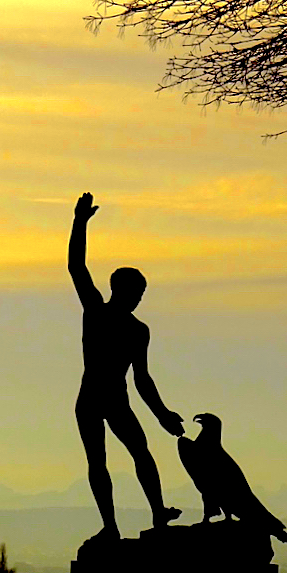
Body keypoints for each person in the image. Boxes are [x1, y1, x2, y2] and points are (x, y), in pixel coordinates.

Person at [68, 191, 183, 544]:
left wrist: (163, 413)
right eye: (137, 291)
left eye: (142, 292)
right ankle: (111, 526)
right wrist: (79, 223)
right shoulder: (97, 311)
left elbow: (143, 379)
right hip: (93, 398)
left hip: (113, 399)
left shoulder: (137, 330)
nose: (139, 297)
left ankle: (158, 513)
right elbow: (76, 267)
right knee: (100, 460)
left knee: (140, 450)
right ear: (120, 289)